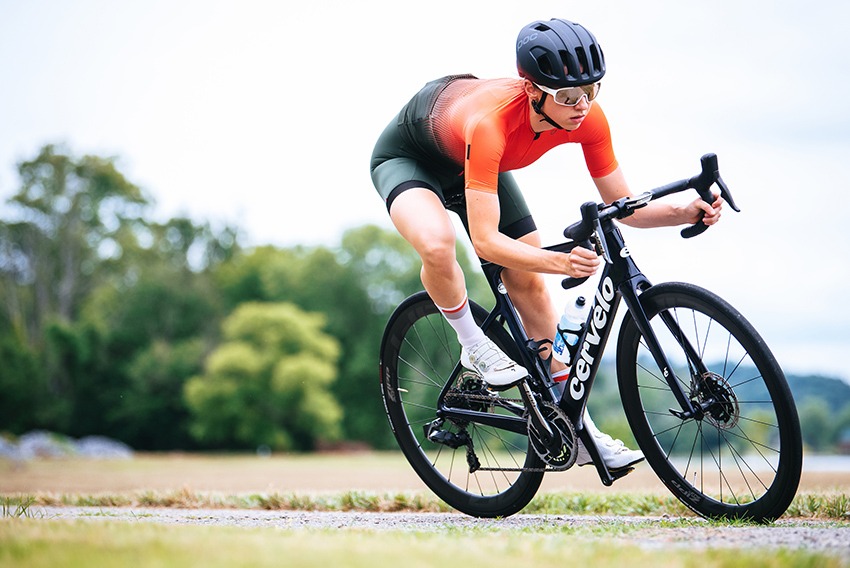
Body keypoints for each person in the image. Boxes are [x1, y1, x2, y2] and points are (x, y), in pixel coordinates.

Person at [369, 18, 723, 471]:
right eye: (568, 97)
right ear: (532, 89)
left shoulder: (588, 118)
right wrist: (559, 263)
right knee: (439, 244)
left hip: (476, 167)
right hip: (411, 160)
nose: (582, 106)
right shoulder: (492, 124)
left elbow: (624, 206)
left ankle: (583, 436)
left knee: (530, 287)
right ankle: (472, 342)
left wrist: (682, 211)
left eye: (592, 91)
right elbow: (486, 241)